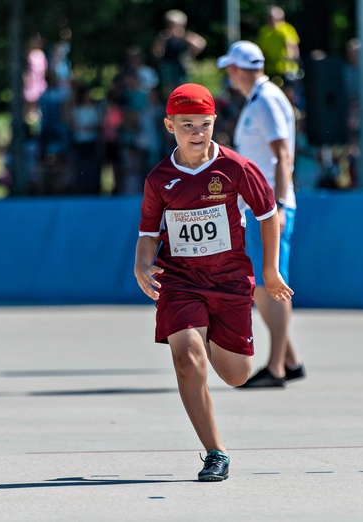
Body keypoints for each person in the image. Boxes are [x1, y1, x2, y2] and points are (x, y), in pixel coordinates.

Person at [133, 83, 292, 481]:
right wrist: (141, 264)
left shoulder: (236, 168)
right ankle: (215, 452)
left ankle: (204, 332)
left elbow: (268, 214)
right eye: (187, 125)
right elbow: (149, 231)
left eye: (204, 125)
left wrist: (270, 271)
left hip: (229, 281)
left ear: (214, 123)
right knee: (186, 356)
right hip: (180, 280)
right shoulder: (159, 179)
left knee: (237, 374)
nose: (197, 133)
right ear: (169, 125)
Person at [217, 41, 305, 388]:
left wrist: (279, 206)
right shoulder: (261, 98)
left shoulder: (265, 100)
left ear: (239, 69)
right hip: (260, 205)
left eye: (229, 69)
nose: (228, 76)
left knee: (271, 285)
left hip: (267, 207)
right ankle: (290, 360)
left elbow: (282, 156)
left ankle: (277, 367)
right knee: (261, 286)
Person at [152, 9, 207, 97]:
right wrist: (163, 41)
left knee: (183, 92)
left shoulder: (186, 36)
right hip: (168, 69)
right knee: (170, 94)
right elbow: (156, 53)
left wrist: (191, 55)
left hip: (182, 69)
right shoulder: (164, 36)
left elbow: (201, 44)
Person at [256, 6, 302, 85]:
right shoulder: (264, 31)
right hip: (271, 70)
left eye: (275, 18)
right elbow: (261, 49)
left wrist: (293, 61)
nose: (272, 21)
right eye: (270, 18)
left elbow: (293, 48)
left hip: (287, 69)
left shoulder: (287, 29)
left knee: (290, 93)